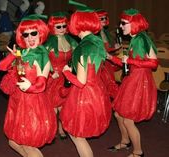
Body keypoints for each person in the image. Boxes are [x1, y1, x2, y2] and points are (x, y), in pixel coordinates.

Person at [0, 14, 57, 157]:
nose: (30, 38)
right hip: (17, 101)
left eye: (34, 33)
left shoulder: (42, 55)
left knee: (27, 144)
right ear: (21, 37)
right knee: (13, 141)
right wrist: (12, 56)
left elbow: (42, 84)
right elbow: (2, 67)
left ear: (41, 33)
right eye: (26, 34)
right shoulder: (21, 53)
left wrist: (29, 86)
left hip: (32, 103)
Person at [60, 1, 112, 157]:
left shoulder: (83, 47)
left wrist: (67, 72)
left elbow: (81, 82)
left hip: (84, 95)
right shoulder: (97, 42)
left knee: (76, 134)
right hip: (96, 90)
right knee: (78, 133)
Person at [107, 9, 158, 157]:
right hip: (132, 78)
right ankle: (125, 141)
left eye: (124, 23)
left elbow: (154, 63)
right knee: (118, 114)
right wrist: (109, 57)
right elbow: (128, 63)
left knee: (128, 120)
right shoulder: (135, 38)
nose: (120, 26)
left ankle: (138, 152)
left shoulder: (142, 39)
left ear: (134, 23)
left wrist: (129, 60)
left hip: (138, 80)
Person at [45, 12, 78, 139]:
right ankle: (52, 130)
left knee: (64, 106)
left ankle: (61, 127)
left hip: (66, 76)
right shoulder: (48, 43)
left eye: (64, 26)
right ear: (52, 27)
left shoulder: (71, 41)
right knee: (53, 107)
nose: (62, 29)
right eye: (58, 26)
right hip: (53, 77)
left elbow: (76, 57)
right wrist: (50, 73)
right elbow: (43, 60)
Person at [96, 9, 120, 100]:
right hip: (100, 64)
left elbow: (105, 49)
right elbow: (98, 50)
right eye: (101, 18)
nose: (104, 20)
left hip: (107, 62)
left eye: (104, 18)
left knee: (109, 86)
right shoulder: (95, 34)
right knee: (104, 87)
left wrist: (114, 48)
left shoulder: (104, 32)